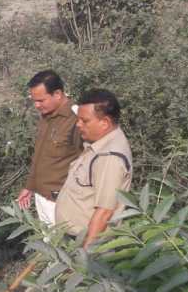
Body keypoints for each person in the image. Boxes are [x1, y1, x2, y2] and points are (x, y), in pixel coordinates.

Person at [55, 89, 132, 249]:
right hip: (74, 238)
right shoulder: (100, 143)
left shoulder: (109, 158)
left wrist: (86, 257)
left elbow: (104, 212)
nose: (78, 124)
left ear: (104, 123)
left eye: (85, 121)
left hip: (86, 241)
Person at [16, 70, 83, 225]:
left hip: (63, 202)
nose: (36, 105)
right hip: (42, 197)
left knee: (66, 247)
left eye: (41, 100)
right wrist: (30, 186)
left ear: (58, 94)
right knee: (50, 246)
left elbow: (89, 162)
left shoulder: (77, 120)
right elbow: (40, 156)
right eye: (34, 100)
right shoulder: (47, 116)